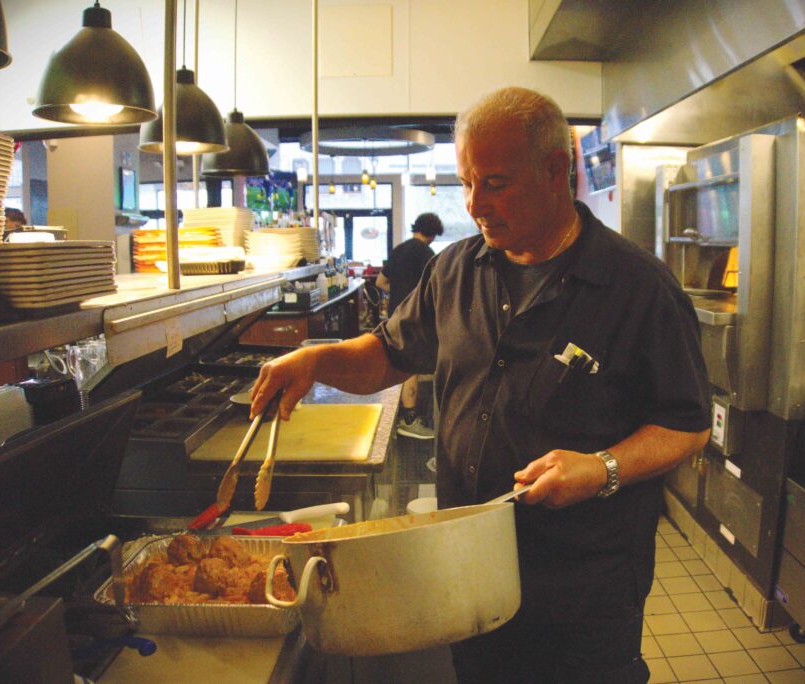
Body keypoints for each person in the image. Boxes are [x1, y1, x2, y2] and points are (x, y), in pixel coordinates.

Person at [250, 86, 710, 683]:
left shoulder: (637, 287)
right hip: (467, 570)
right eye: (465, 184)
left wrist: (602, 467)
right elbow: (388, 356)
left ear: (554, 172)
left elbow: (687, 424)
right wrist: (316, 362)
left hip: (581, 589)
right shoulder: (456, 268)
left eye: (493, 183)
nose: (474, 204)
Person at [375, 212, 445, 439]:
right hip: (416, 316)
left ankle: (398, 417)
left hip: (394, 315)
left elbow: (380, 282)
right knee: (412, 365)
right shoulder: (427, 254)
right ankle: (409, 420)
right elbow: (438, 289)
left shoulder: (399, 249)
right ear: (433, 233)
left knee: (399, 361)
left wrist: (398, 295)